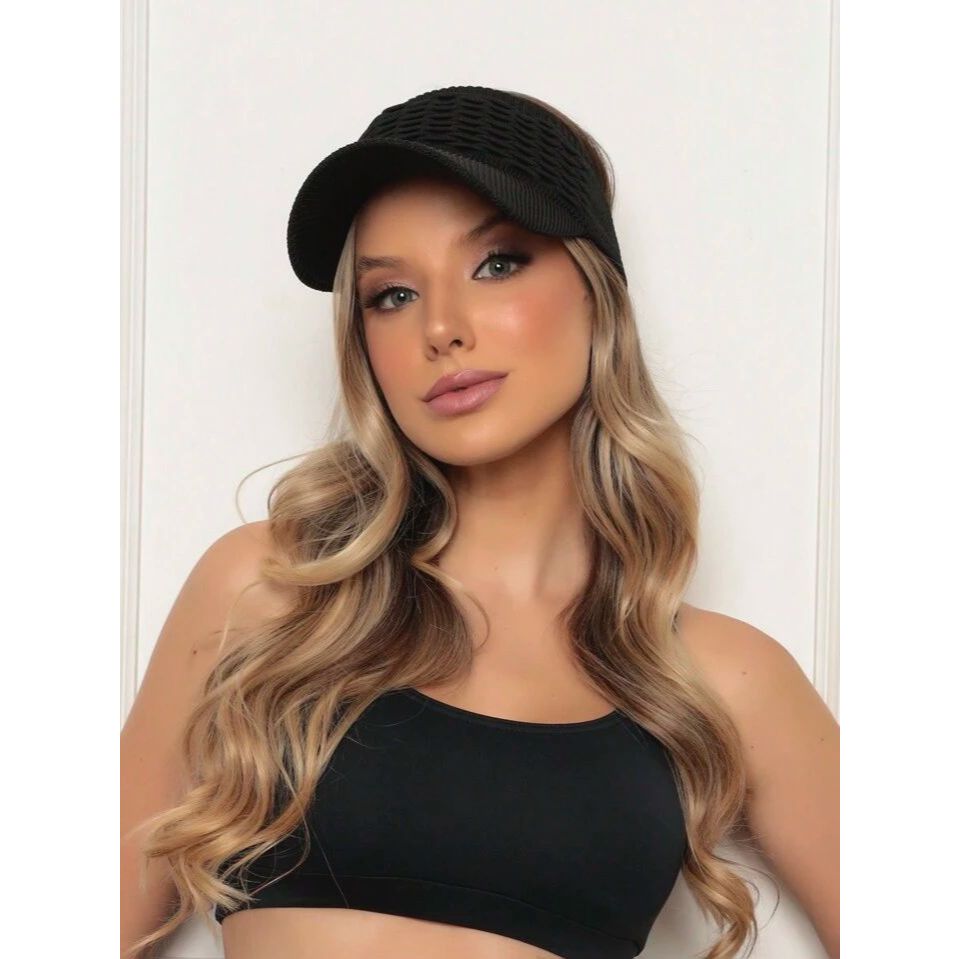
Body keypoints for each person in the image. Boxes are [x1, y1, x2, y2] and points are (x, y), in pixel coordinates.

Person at [120, 85, 839, 959]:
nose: (441, 328)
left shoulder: (720, 679)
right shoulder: (268, 590)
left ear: (597, 291)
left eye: (497, 263)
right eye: (391, 294)